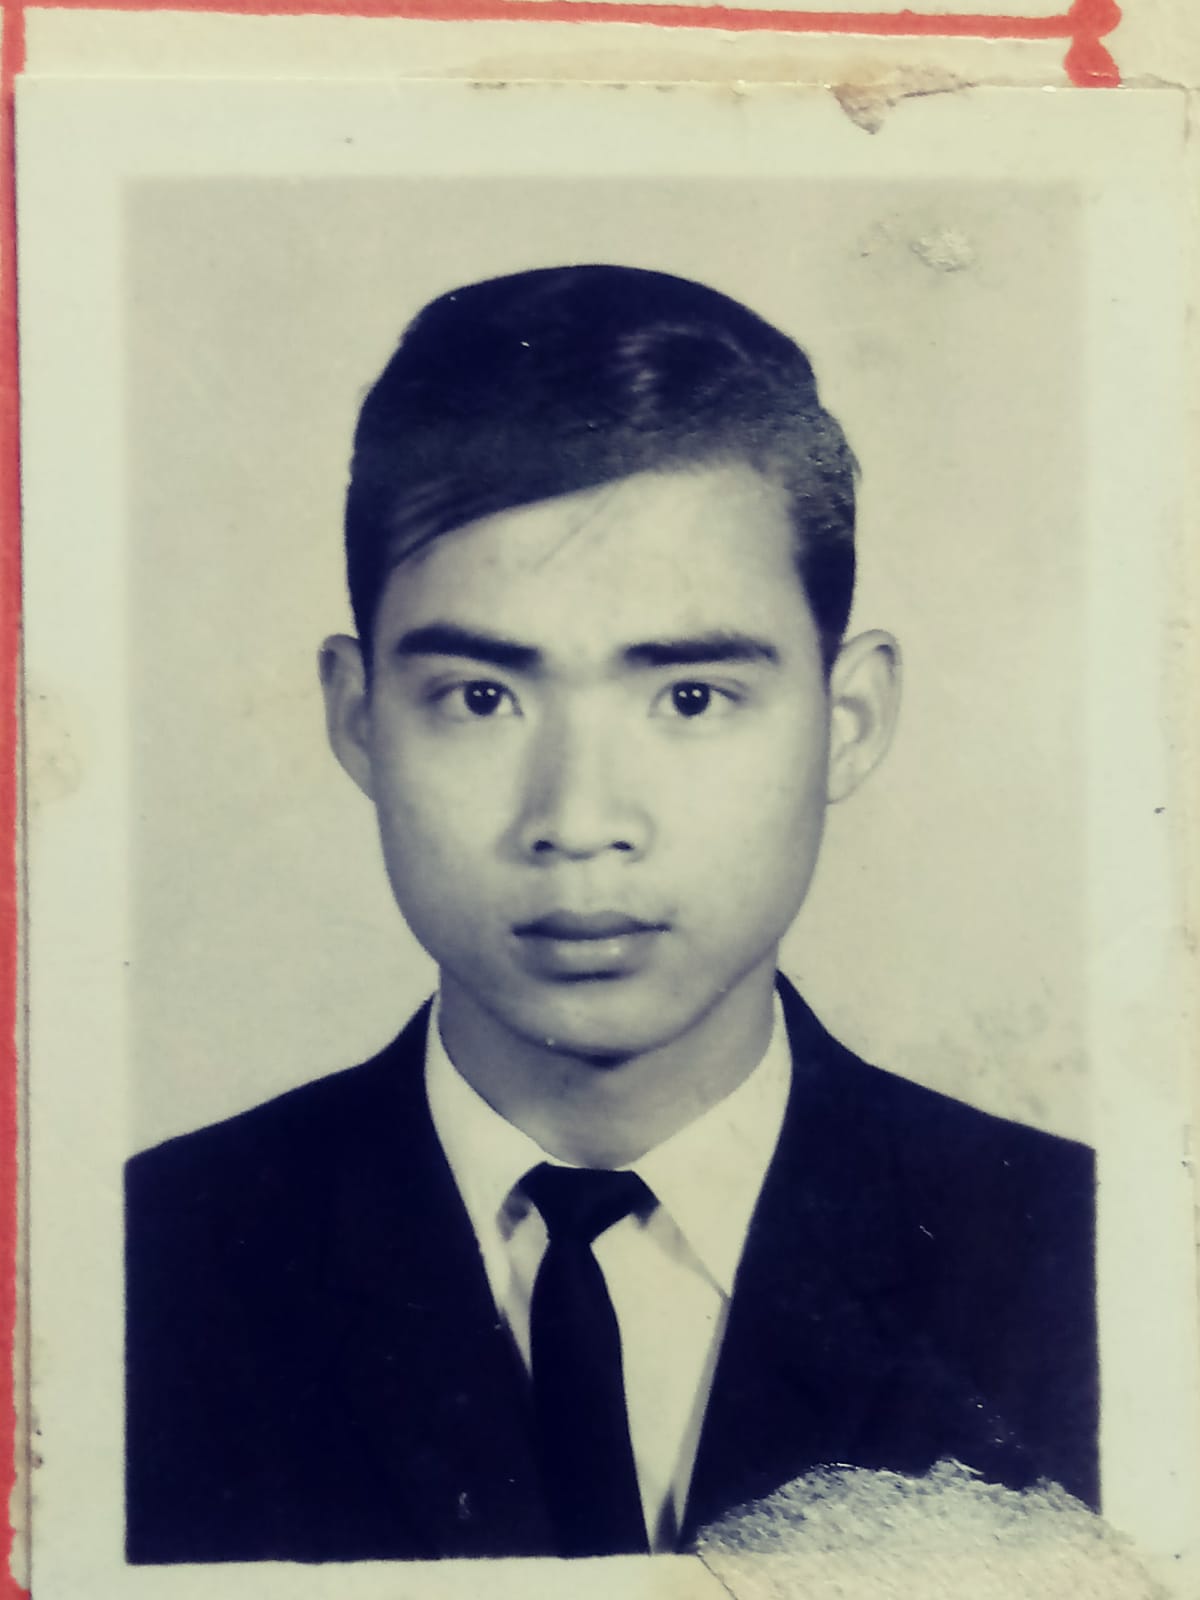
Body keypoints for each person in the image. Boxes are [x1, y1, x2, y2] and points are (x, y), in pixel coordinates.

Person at [124, 265, 1098, 1565]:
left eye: (690, 697)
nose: (579, 819)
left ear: (848, 719)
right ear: (359, 718)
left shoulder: (1088, 1266)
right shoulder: (134, 1268)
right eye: (482, 697)